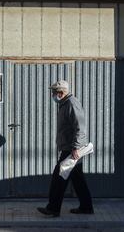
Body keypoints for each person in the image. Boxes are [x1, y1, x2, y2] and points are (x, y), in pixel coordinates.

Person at [37, 80, 94, 217]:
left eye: (54, 92)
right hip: (69, 148)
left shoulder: (71, 104)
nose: (52, 95)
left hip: (72, 150)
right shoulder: (65, 104)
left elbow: (80, 127)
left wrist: (76, 148)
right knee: (77, 179)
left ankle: (53, 209)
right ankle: (86, 207)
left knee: (59, 178)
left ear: (61, 93)